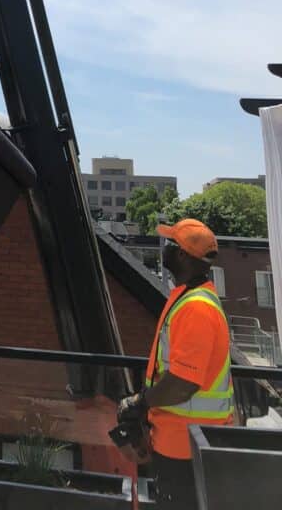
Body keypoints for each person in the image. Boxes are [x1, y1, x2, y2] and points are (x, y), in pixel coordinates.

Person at [116, 218, 234, 509]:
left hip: (186, 448)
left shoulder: (195, 308)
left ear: (182, 255)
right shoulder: (188, 298)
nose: (165, 248)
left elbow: (183, 384)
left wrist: (139, 402)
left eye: (171, 243)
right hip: (181, 441)